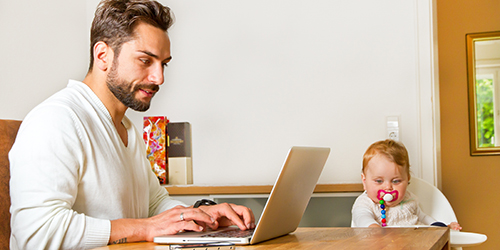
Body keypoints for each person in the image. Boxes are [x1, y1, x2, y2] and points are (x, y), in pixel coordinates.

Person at [9, 0, 255, 249]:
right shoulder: (55, 120)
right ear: (103, 55)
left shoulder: (126, 129)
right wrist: (146, 228)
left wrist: (204, 215)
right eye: (145, 61)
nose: (159, 77)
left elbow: (155, 204)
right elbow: (38, 233)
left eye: (163, 63)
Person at [351, 139, 461, 229]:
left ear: (407, 179)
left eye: (396, 181)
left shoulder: (409, 199)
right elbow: (362, 218)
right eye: (379, 181)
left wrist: (439, 227)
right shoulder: (365, 203)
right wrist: (374, 228)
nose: (388, 187)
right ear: (364, 181)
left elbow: (423, 217)